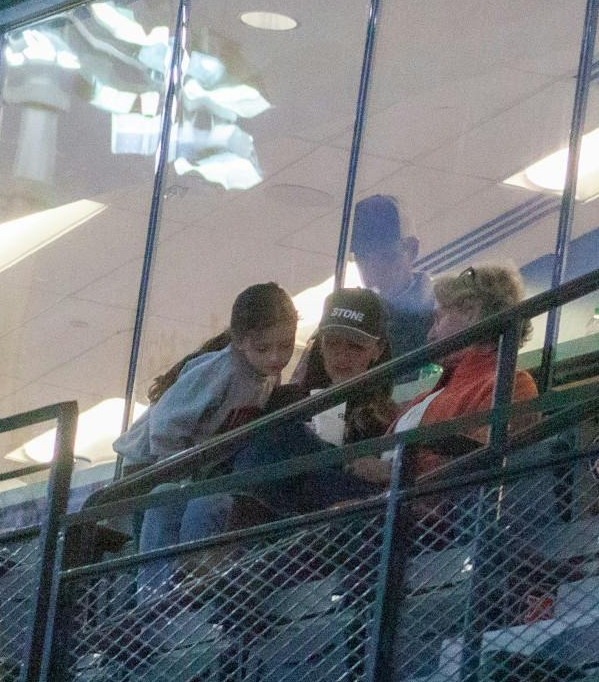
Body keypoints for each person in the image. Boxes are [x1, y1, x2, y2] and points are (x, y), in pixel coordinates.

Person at [111, 282, 299, 554]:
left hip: (181, 469)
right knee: (161, 522)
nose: (276, 357)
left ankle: (179, 583)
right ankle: (160, 589)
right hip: (148, 465)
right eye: (263, 348)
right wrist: (177, 471)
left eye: (286, 345)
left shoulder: (268, 375)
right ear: (239, 341)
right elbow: (165, 422)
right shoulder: (223, 370)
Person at [198, 288, 398, 525]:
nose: (341, 356)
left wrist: (374, 466)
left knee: (283, 432)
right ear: (320, 345)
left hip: (332, 520)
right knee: (195, 503)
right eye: (332, 343)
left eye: (355, 346)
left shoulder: (389, 418)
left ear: (378, 350)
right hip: (271, 512)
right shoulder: (282, 399)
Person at [348, 265, 538, 486]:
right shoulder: (427, 397)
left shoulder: (510, 384)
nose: (430, 335)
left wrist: (395, 473)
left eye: (438, 319)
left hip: (427, 515)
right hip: (387, 510)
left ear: (471, 311)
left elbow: (483, 464)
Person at [351, 194, 437, 364]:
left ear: (412, 249)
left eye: (386, 256)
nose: (374, 269)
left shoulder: (441, 316)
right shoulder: (350, 316)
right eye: (363, 258)